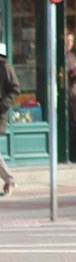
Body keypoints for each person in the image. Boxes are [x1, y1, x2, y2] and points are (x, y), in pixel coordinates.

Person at [0, 41, 19, 196]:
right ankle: (9, 180)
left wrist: (2, 105)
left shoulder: (5, 67)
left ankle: (10, 180)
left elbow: (15, 89)